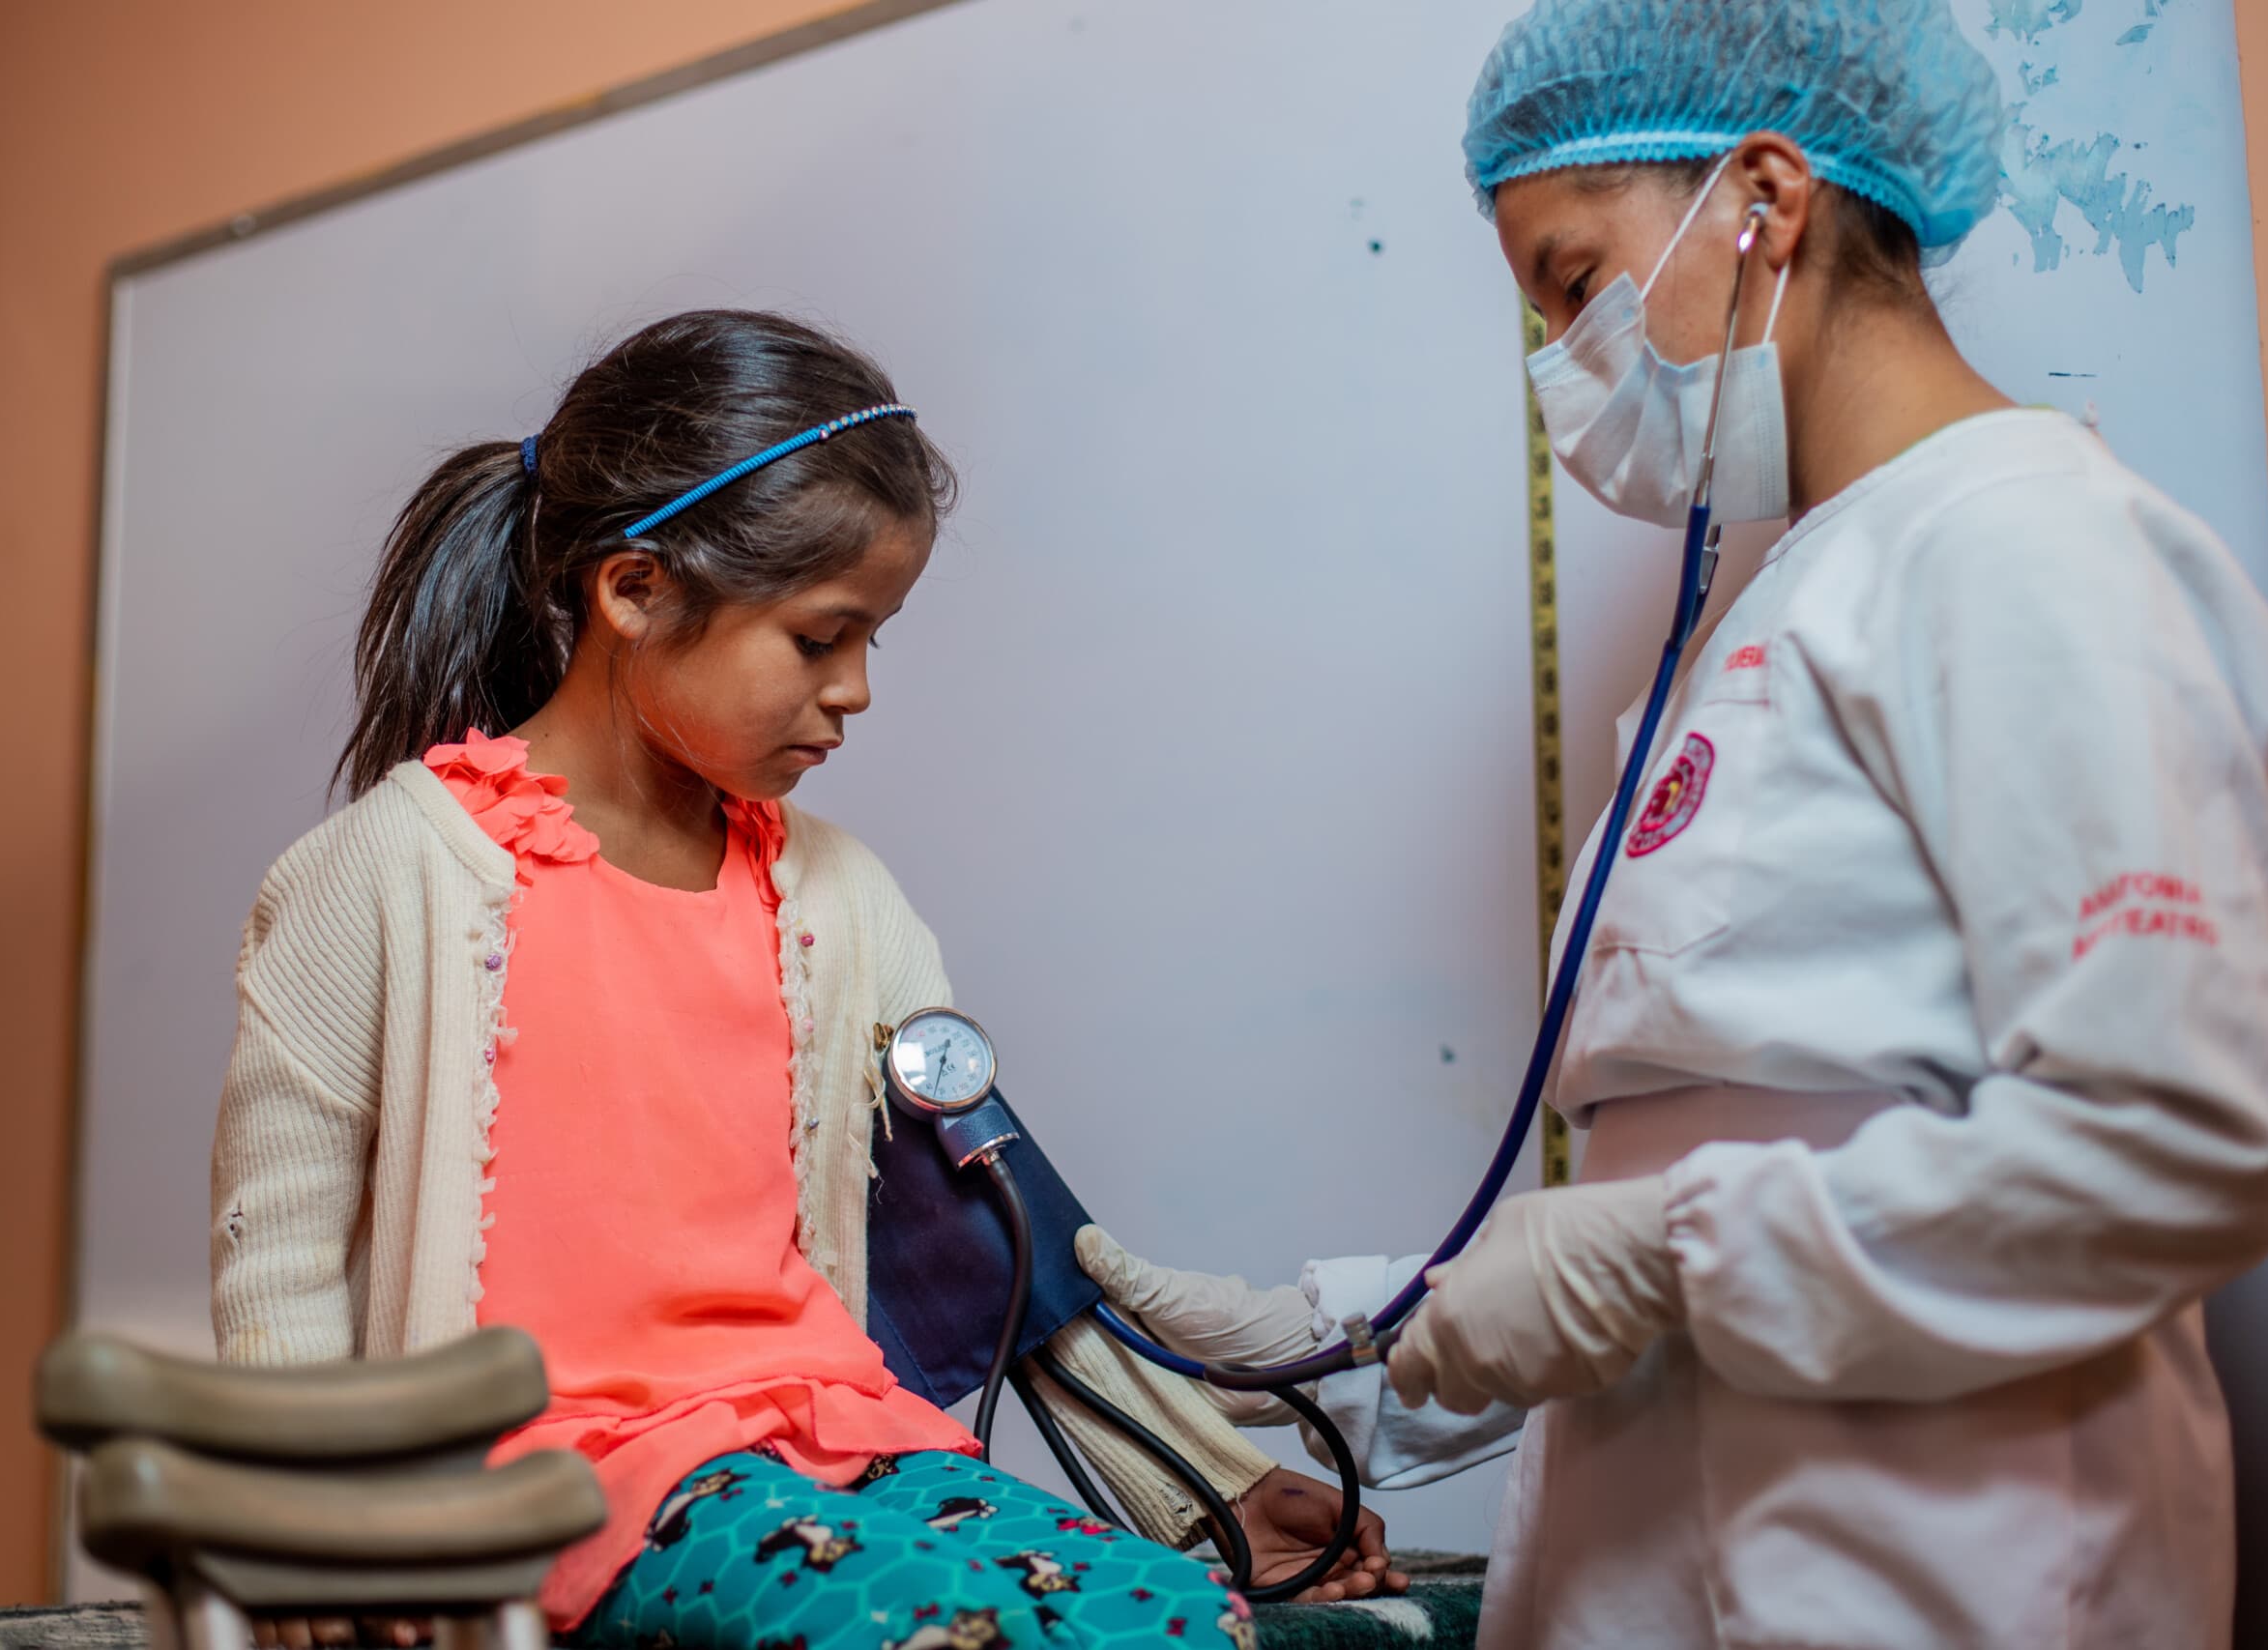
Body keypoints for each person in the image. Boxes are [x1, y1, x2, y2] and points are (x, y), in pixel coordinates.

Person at [1077, 2, 2268, 1645]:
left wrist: (1648, 1255)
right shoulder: (1792, 596)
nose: (1562, 370)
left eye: (1578, 281)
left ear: (1765, 199)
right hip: (1675, 1563)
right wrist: (1366, 1337)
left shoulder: (2032, 550)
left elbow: (2170, 1151)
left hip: (1956, 1577)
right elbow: (1754, 1140)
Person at [210, 311, 1399, 1650]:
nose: (859, 691)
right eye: (822, 637)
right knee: (929, 1633)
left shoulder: (842, 901)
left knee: (1173, 1622)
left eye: (875, 638)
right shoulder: (382, 875)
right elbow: (282, 1260)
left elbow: (989, 1232)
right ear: (635, 590)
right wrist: (303, 1534)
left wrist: (1208, 1491)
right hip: (556, 1483)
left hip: (844, 1440)